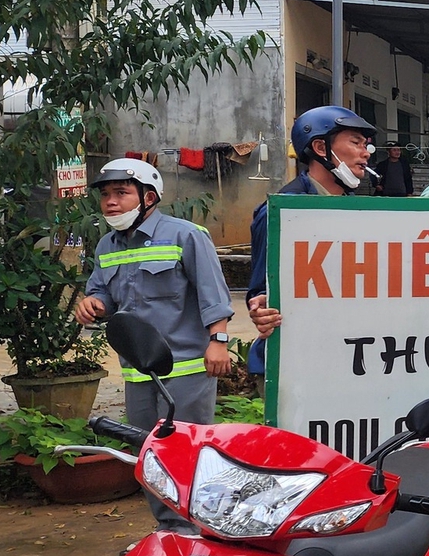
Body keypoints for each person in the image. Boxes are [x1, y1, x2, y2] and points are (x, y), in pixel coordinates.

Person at [75, 158, 233, 429]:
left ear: (148, 197)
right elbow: (103, 295)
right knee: (146, 448)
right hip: (137, 370)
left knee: (184, 448)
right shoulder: (106, 246)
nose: (110, 202)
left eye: (121, 193)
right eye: (105, 195)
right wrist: (93, 303)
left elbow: (214, 294)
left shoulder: (186, 235)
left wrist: (218, 342)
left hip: (186, 368)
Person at [244, 106, 378, 375]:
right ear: (320, 147)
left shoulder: (361, 212)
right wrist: (262, 307)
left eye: (366, 145)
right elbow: (261, 287)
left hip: (352, 356)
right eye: (355, 142)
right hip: (298, 362)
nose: (366, 153)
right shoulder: (283, 212)